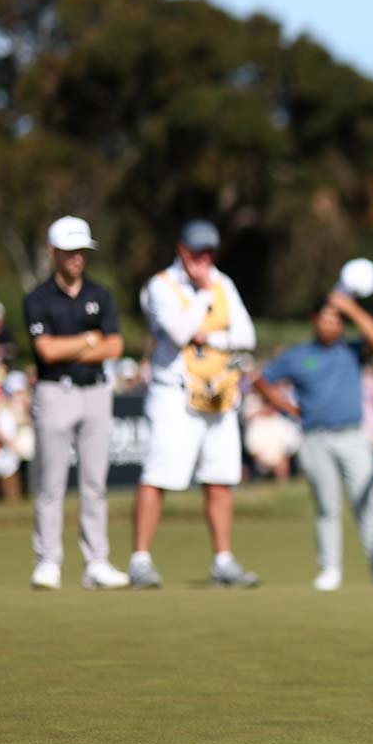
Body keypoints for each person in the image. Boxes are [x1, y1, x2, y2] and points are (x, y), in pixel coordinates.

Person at [129, 220, 260, 588]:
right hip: (174, 395)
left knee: (220, 479)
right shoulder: (161, 286)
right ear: (182, 250)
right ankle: (140, 560)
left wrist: (211, 336)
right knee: (159, 475)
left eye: (209, 252)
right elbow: (180, 332)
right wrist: (203, 297)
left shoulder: (225, 283)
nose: (203, 259)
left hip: (219, 394)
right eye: (196, 252)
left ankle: (223, 560)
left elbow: (246, 335)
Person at [253, 291, 373, 591]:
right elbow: (261, 379)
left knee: (367, 503)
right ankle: (330, 569)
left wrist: (350, 307)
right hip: (316, 438)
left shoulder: (352, 350)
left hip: (353, 436)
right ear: (313, 321)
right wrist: (286, 407)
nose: (332, 325)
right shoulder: (297, 356)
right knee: (327, 506)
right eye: (326, 319)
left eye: (337, 321)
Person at [23, 217, 128, 590]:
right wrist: (88, 341)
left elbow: (115, 346)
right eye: (69, 252)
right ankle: (48, 561)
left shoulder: (101, 295)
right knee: (50, 483)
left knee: (94, 483)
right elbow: (46, 351)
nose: (76, 258)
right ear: (53, 253)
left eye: (81, 251)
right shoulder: (37, 299)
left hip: (96, 393)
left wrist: (76, 347)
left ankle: (96, 561)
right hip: (55, 393)